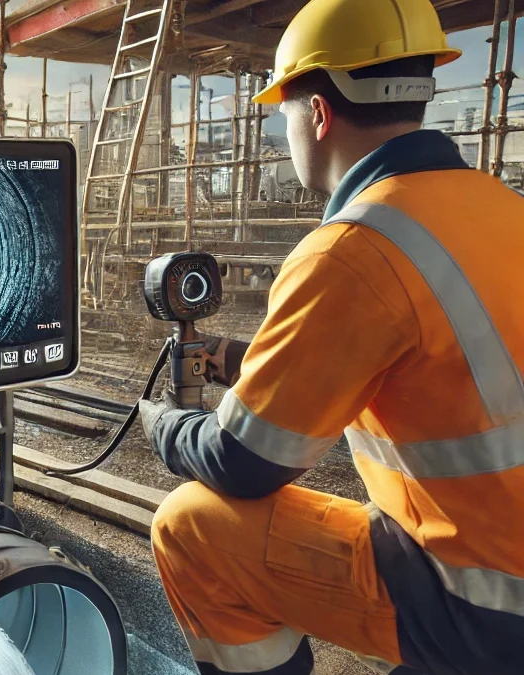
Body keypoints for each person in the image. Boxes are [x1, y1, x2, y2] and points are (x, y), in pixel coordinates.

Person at [138, 0, 524, 673]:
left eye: (285, 111)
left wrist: (164, 426)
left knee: (191, 525)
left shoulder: (354, 247)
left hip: (486, 604)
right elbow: (426, 354)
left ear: (317, 113)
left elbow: (245, 460)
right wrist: (236, 359)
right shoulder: (498, 205)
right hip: (507, 553)